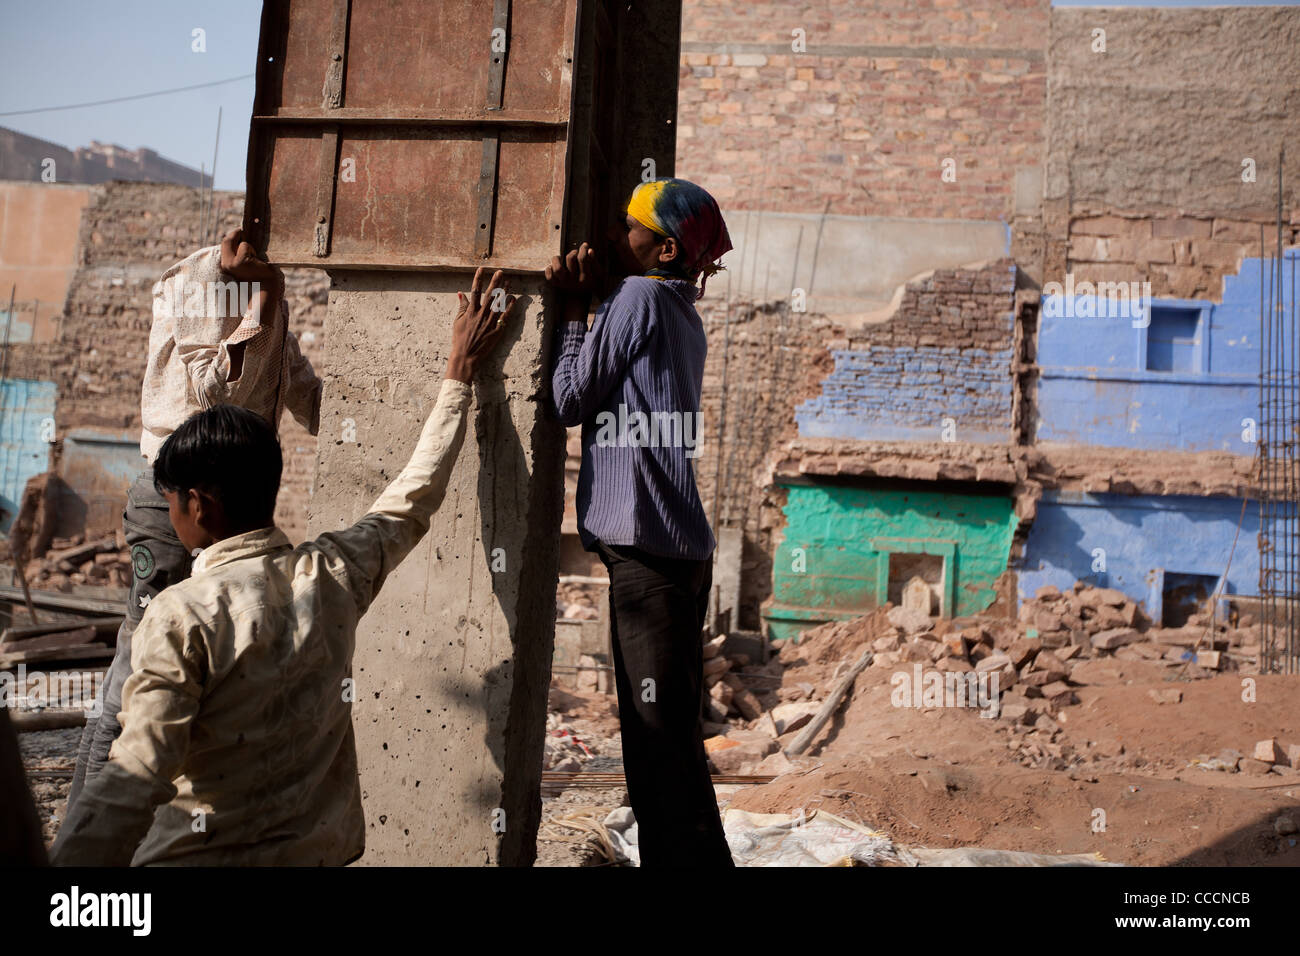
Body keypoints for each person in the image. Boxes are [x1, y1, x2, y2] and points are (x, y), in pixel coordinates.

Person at [51, 269, 513, 865]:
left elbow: (135, 779)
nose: (169, 514)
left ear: (199, 504)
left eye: (170, 500)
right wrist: (457, 375)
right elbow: (413, 496)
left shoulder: (180, 616)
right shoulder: (333, 574)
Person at [68, 229, 322, 809]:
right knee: (136, 667)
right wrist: (263, 298)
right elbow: (213, 395)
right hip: (174, 502)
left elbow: (303, 391)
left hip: (225, 510)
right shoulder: (195, 286)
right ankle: (79, 840)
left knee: (200, 654)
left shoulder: (268, 300)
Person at [546, 177, 735, 866]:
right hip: (678, 554)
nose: (621, 234)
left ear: (665, 248)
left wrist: (571, 312)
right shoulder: (678, 310)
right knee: (673, 744)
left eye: (633, 227)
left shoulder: (635, 297)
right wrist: (593, 306)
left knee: (655, 750)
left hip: (647, 557)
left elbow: (570, 398)